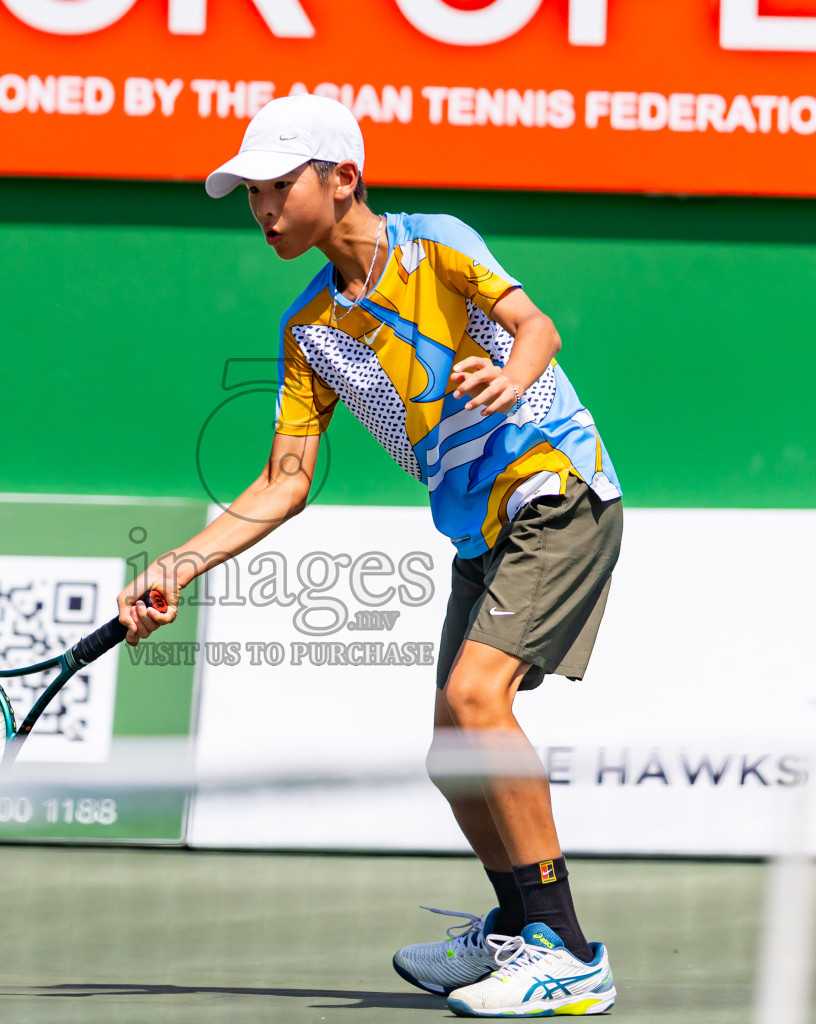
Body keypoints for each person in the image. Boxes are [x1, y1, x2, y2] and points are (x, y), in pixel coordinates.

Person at [114, 94, 623, 1018]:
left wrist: (511, 377)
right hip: (481, 531)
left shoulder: (439, 242)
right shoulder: (310, 329)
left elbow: (538, 325)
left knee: (478, 701)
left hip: (558, 490)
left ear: (341, 177)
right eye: (252, 195)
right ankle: (516, 932)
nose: (264, 210)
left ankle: (567, 951)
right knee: (449, 752)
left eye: (278, 186)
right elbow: (284, 481)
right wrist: (178, 565)